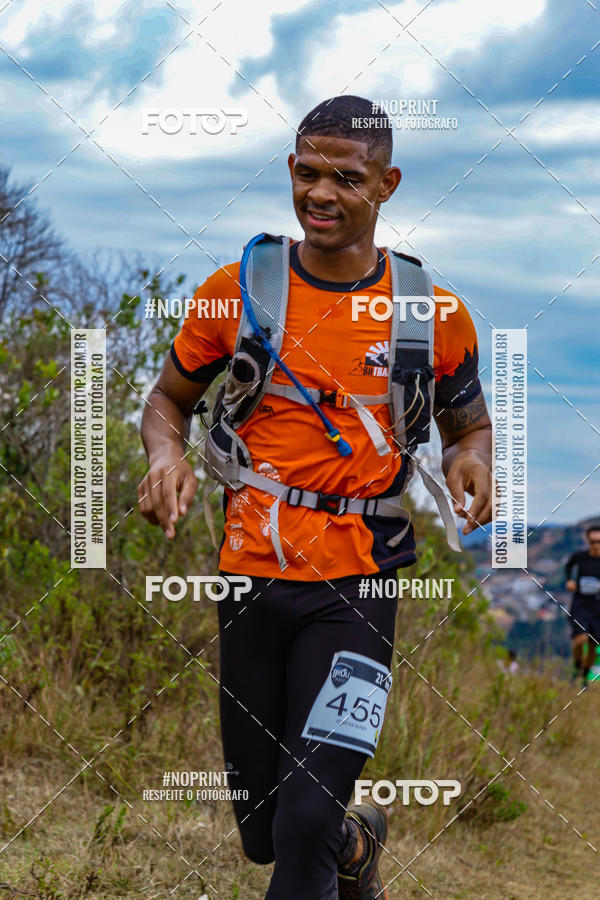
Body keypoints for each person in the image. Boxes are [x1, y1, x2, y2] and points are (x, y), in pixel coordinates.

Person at [139, 95, 493, 900]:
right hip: (251, 576)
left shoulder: (429, 313)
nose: (321, 193)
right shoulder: (239, 291)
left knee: (303, 824)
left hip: (360, 587)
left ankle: (328, 837)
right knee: (266, 830)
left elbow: (467, 425)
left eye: (346, 178)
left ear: (387, 184)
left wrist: (473, 461)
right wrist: (167, 457)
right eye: (306, 173)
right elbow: (167, 401)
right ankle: (357, 844)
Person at [565, 524, 600, 687]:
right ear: (587, 540)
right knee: (580, 639)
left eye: (599, 541)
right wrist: (569, 580)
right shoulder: (580, 556)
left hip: (598, 606)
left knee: (593, 645)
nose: (596, 545)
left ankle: (584, 677)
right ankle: (576, 667)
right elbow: (568, 565)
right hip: (580, 604)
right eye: (593, 541)